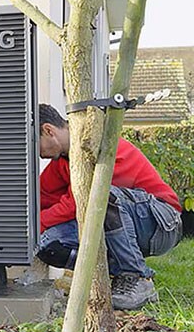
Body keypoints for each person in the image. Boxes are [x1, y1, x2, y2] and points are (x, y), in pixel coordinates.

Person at [37, 103, 182, 311]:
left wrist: (37, 224)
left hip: (162, 222)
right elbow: (42, 196)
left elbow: (77, 203)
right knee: (47, 243)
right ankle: (110, 277)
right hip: (127, 221)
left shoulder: (99, 148)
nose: (39, 154)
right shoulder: (64, 161)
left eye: (37, 145)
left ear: (48, 130)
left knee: (101, 194)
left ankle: (138, 278)